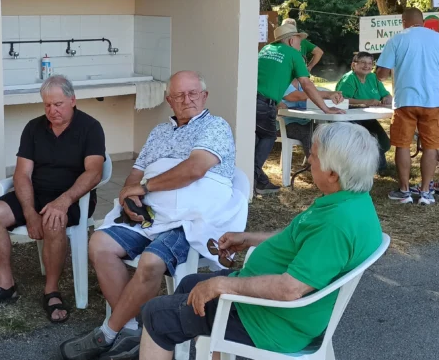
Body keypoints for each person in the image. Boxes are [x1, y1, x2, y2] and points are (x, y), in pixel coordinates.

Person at [137, 123, 383, 359]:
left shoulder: (336, 225)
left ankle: (166, 339)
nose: (308, 160)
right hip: (277, 310)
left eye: (314, 156)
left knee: (156, 316)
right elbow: (298, 240)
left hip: (270, 322)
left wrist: (223, 285)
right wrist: (249, 239)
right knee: (189, 284)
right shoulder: (352, 201)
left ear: (332, 174)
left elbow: (290, 289)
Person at [60, 71, 246, 360]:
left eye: (193, 93)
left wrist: (145, 187)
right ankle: (133, 330)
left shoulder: (216, 126)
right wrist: (130, 196)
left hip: (190, 217)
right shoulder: (159, 132)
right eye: (179, 95)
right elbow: (136, 173)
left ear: (204, 96)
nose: (187, 100)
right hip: (153, 213)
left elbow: (195, 169)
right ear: (169, 101)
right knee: (99, 244)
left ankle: (108, 333)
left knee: (150, 262)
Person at [0, 75, 106, 324]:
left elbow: (94, 172)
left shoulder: (90, 127)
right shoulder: (34, 128)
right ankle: (5, 285)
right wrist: (29, 211)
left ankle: (51, 291)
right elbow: (22, 174)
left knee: (53, 220)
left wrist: (63, 201)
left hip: (74, 198)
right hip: (36, 194)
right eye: (47, 105)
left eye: (58, 104)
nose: (52, 110)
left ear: (72, 100)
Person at [376, 7, 439, 205]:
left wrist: (379, 73)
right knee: (431, 147)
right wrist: (435, 82)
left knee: (402, 145)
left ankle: (404, 190)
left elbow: (382, 74)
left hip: (405, 100)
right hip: (433, 102)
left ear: (403, 21)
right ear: (423, 21)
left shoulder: (397, 39)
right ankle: (425, 192)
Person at [256, 21, 343, 195]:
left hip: (249, 101)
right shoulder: (293, 54)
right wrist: (326, 109)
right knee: (268, 136)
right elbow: (306, 84)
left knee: (257, 140)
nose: (300, 45)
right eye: (298, 40)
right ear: (290, 41)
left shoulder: (265, 50)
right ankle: (255, 177)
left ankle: (259, 179)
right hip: (265, 104)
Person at [335, 51, 393, 169]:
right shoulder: (349, 79)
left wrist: (387, 98)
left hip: (368, 117)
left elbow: (386, 94)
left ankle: (376, 166)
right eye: (363, 62)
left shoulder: (373, 77)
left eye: (370, 63)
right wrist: (365, 101)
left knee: (384, 143)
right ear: (354, 64)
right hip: (349, 118)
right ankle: (371, 167)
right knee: (365, 143)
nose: (367, 66)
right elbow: (341, 100)